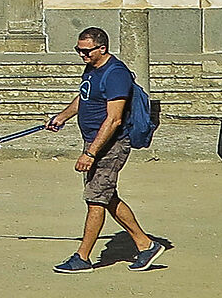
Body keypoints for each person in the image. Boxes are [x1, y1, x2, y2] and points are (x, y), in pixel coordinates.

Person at [46, 27, 165, 272]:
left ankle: (82, 257)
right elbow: (84, 97)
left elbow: (114, 119)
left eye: (87, 51)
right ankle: (146, 245)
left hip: (111, 145)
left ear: (102, 48)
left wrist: (90, 154)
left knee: (95, 199)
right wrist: (62, 116)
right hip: (93, 141)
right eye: (79, 50)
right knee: (106, 196)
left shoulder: (116, 74)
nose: (82, 55)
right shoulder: (92, 68)